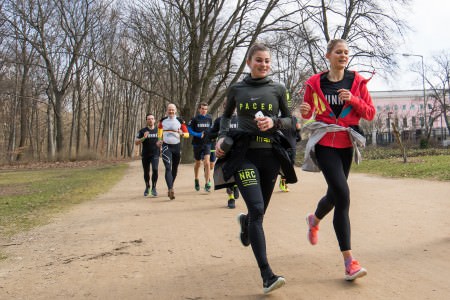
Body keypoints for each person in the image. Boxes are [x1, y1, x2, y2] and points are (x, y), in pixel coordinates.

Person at [215, 42, 295, 294]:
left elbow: (291, 120)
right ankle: (267, 276)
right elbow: (226, 116)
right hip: (243, 155)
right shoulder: (237, 88)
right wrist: (221, 136)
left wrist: (274, 121)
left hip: (270, 156)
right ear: (249, 62)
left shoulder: (278, 88)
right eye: (258, 60)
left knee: (257, 214)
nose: (263, 64)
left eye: (267, 61)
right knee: (258, 210)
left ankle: (246, 224)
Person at [299, 39, 375, 281]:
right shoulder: (315, 82)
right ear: (328, 55)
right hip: (324, 143)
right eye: (338, 52)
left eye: (346, 53)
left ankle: (314, 219)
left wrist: (353, 99)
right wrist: (303, 112)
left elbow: (370, 113)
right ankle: (349, 262)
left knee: (335, 193)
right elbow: (308, 111)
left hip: (346, 144)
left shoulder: (357, 82)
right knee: (343, 195)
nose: (343, 56)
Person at [157, 103, 189, 200]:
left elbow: (187, 134)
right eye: (169, 109)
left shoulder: (180, 121)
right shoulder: (163, 121)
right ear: (167, 111)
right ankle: (170, 189)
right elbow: (159, 130)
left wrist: (182, 133)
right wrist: (159, 139)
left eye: (172, 110)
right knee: (168, 167)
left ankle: (171, 186)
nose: (171, 111)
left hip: (176, 147)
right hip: (166, 146)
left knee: (174, 169)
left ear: (175, 111)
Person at [208, 111, 239, 208]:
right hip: (225, 150)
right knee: (226, 173)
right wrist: (220, 132)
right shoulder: (219, 120)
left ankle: (236, 185)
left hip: (239, 150)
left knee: (238, 172)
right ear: (225, 107)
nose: (232, 109)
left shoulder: (242, 119)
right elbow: (211, 134)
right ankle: (231, 198)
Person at [188, 103, 213, 192]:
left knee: (207, 162)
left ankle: (207, 183)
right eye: (202, 109)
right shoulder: (194, 119)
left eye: (205, 109)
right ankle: (196, 179)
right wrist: (198, 134)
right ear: (199, 109)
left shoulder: (209, 118)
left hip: (207, 143)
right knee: (198, 163)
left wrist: (213, 135)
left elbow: (211, 129)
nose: (204, 110)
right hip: (197, 144)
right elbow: (189, 130)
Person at [135, 113, 160, 197]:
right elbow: (136, 142)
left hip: (155, 154)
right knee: (146, 172)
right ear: (146, 120)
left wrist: (161, 143)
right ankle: (147, 187)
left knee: (155, 169)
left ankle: (154, 188)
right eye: (149, 119)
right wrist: (143, 137)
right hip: (145, 154)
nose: (150, 120)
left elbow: (162, 141)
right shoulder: (142, 131)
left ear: (154, 120)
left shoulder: (158, 130)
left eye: (152, 118)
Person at [279, 116, 301, 192]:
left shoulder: (294, 119)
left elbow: (298, 138)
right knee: (278, 167)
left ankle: (283, 183)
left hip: (292, 148)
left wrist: (298, 130)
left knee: (288, 167)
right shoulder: (278, 119)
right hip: (282, 147)